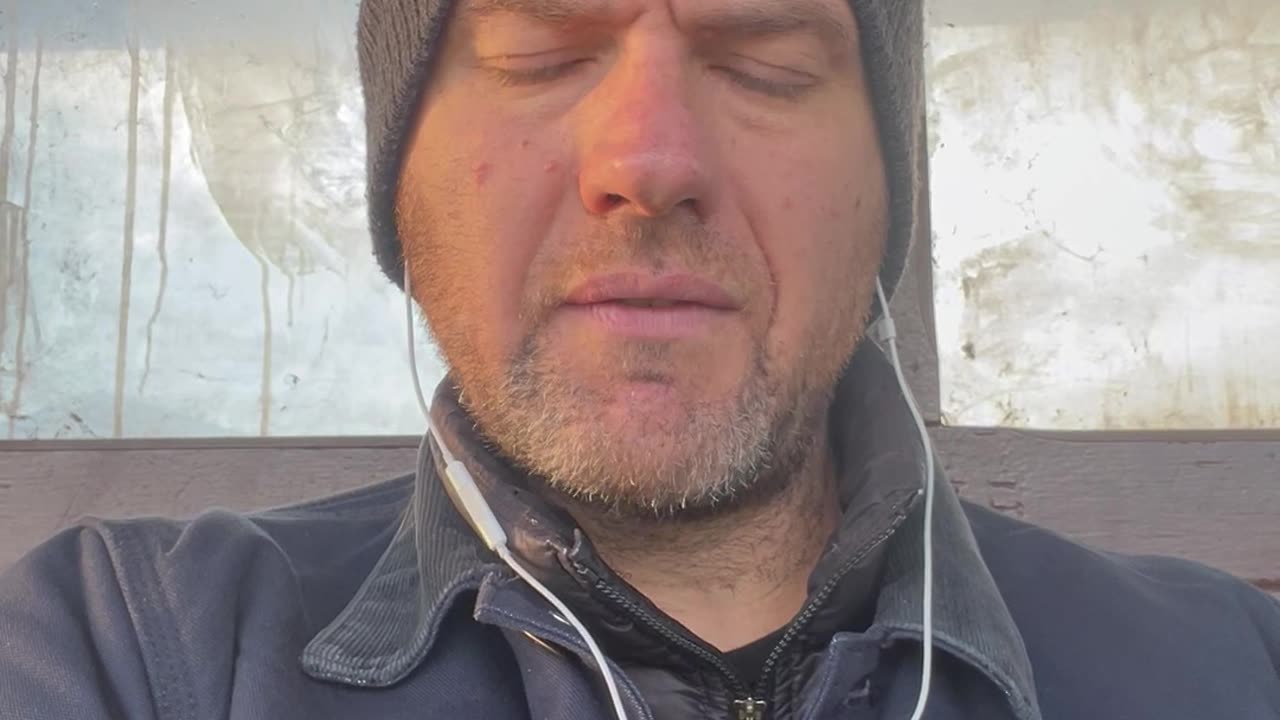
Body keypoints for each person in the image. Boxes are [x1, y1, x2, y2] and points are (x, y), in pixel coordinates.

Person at [3, 0, 1279, 718]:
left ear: (884, 190)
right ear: (402, 181)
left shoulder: (1223, 670)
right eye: (540, 56)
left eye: (766, 63)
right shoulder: (128, 652)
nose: (647, 160)